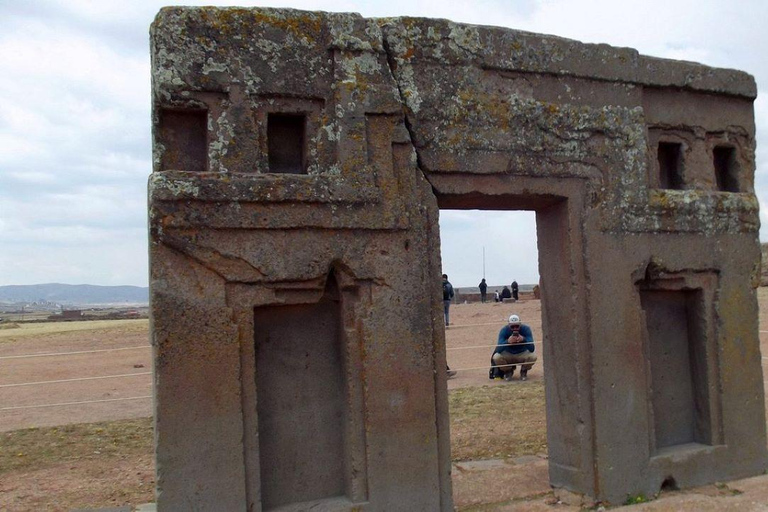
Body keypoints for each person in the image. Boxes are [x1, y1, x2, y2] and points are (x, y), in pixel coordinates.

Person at [492, 314, 537, 381]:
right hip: (508, 353)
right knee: (496, 357)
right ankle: (508, 371)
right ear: (509, 325)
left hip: (522, 353)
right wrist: (507, 342)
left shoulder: (526, 329)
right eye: (512, 327)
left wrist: (523, 339)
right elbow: (498, 349)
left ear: (520, 324)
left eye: (517, 326)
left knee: (533, 356)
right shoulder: (504, 330)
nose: (515, 329)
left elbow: (532, 348)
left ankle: (524, 370)